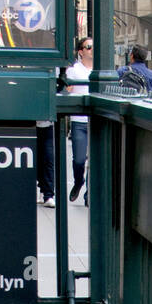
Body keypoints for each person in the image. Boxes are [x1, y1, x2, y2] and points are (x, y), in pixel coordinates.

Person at [67, 36, 92, 205]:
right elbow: (67, 90)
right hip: (79, 120)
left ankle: (89, 194)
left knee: (94, 161)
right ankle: (78, 181)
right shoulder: (74, 70)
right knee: (79, 160)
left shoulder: (100, 69)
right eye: (89, 46)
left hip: (95, 120)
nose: (92, 49)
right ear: (81, 51)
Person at [35, 119, 55, 207]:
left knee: (48, 159)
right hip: (31, 125)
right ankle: (43, 190)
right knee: (36, 159)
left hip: (48, 126)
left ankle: (48, 195)